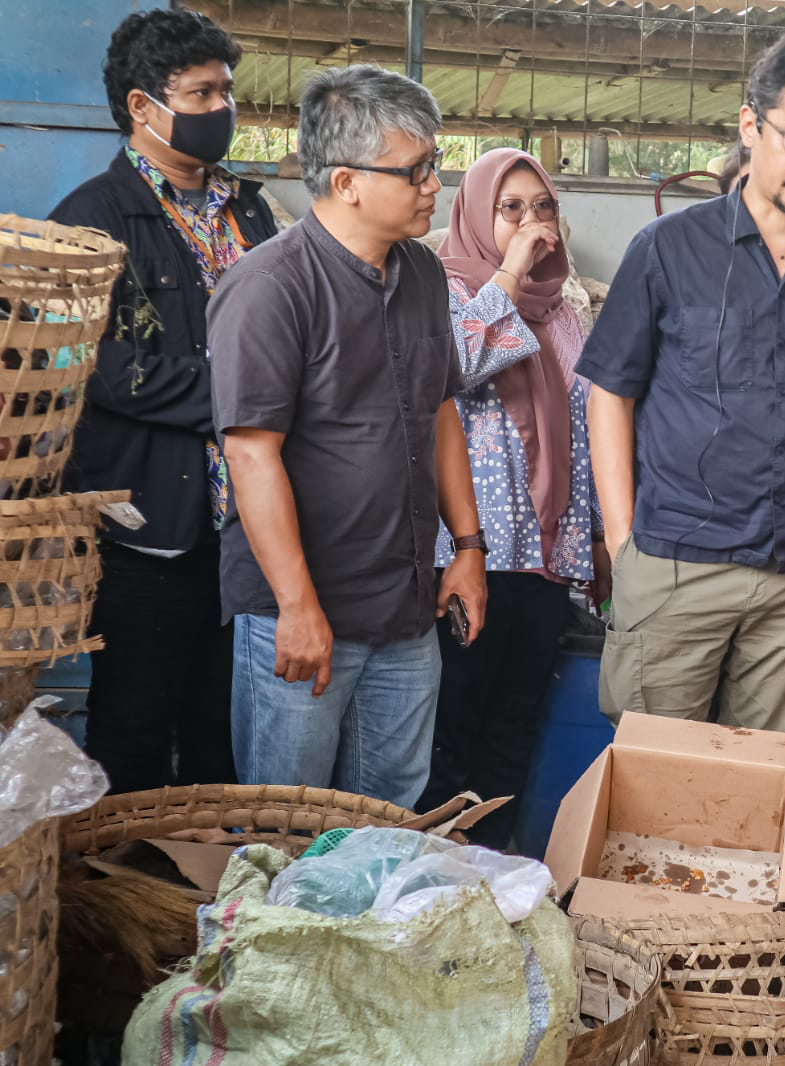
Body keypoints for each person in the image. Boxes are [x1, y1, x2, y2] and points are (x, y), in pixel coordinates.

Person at [579, 31, 785, 735]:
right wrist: (623, 536)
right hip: (676, 561)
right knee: (654, 779)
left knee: (758, 785)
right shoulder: (668, 250)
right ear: (751, 126)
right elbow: (610, 393)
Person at [208, 65, 487, 810]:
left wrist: (467, 548)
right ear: (345, 181)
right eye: (416, 170)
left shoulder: (423, 273)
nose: (435, 184)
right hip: (304, 617)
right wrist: (296, 605)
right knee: (289, 825)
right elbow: (249, 452)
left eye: (436, 164)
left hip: (404, 609)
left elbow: (440, 413)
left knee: (391, 819)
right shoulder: (270, 287)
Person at [46, 9, 275, 793]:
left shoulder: (249, 210)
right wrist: (234, 395)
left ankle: (211, 890)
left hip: (250, 520)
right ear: (143, 107)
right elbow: (87, 362)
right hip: (151, 523)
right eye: (201, 92)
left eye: (226, 91)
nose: (222, 109)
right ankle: (123, 890)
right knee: (137, 725)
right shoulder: (89, 221)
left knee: (228, 719)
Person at [409, 148, 607, 847]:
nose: (533, 223)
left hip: (542, 560)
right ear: (477, 216)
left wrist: (593, 540)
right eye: (512, 208)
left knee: (513, 727)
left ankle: (490, 874)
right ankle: (433, 878)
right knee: (450, 725)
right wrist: (511, 271)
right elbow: (457, 368)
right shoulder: (440, 291)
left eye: (544, 207)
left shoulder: (565, 314)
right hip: (467, 554)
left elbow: (582, 436)